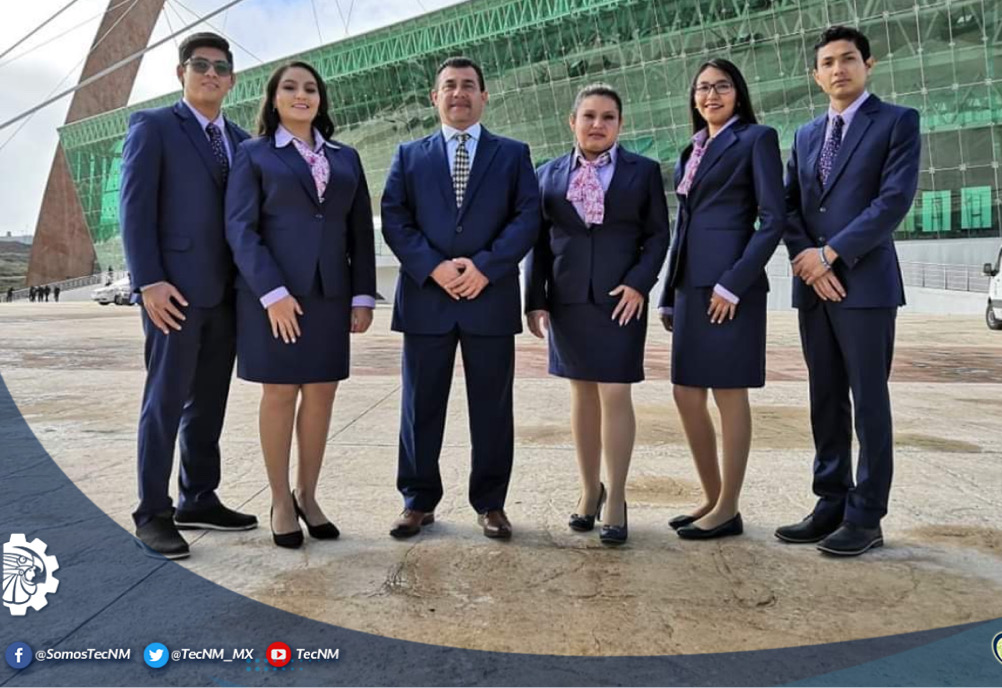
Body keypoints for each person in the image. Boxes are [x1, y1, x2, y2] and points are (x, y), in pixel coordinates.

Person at [776, 25, 920, 557]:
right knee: (825, 398)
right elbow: (788, 207)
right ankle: (830, 502)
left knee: (869, 400)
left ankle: (866, 516)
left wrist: (830, 254)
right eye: (829, 62)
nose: (839, 69)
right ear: (816, 75)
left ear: (868, 64)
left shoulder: (898, 122)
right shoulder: (807, 134)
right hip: (815, 286)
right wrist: (809, 264)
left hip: (864, 284)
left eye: (849, 59)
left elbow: (892, 201)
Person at [381, 56, 539, 541]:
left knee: (492, 408)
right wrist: (434, 266)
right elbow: (395, 217)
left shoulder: (512, 155)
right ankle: (417, 500)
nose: (459, 93)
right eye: (449, 86)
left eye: (469, 85)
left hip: (487, 299)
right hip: (428, 298)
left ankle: (491, 503)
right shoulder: (409, 155)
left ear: (484, 96)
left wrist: (485, 268)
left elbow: (526, 216)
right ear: (435, 97)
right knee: (419, 406)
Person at [225, 61, 376, 549]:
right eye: (289, 88)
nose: (301, 95)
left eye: (310, 88)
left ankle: (308, 495)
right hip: (273, 298)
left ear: (321, 99)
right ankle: (280, 501)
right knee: (280, 394)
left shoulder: (347, 158)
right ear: (273, 99)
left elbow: (359, 234)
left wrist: (361, 294)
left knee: (322, 395)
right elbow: (241, 229)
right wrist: (273, 294)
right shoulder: (253, 155)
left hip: (330, 296)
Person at [119, 32, 258, 560]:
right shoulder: (154, 127)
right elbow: (136, 209)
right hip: (172, 293)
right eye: (200, 65)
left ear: (231, 79)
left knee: (209, 403)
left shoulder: (243, 141)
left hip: (226, 296)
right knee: (165, 400)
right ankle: (152, 511)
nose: (210, 74)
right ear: (182, 72)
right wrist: (148, 281)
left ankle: (198, 496)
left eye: (220, 67)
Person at [524, 84, 669, 545]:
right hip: (567, 301)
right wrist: (535, 298)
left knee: (614, 394)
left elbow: (658, 236)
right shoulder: (546, 175)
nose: (597, 125)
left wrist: (639, 283)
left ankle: (617, 497)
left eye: (608, 117)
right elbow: (539, 243)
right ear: (572, 122)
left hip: (620, 300)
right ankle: (590, 490)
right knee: (581, 396)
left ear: (620, 125)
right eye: (588, 116)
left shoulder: (642, 172)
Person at [658, 58, 785, 540]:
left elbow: (772, 219)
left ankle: (729, 506)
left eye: (723, 86)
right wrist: (670, 291)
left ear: (739, 93)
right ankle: (712, 497)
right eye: (704, 88)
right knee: (686, 394)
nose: (712, 95)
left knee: (729, 394)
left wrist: (734, 282)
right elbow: (683, 225)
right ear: (694, 97)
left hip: (732, 288)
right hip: (690, 286)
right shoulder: (689, 150)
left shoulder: (756, 139)